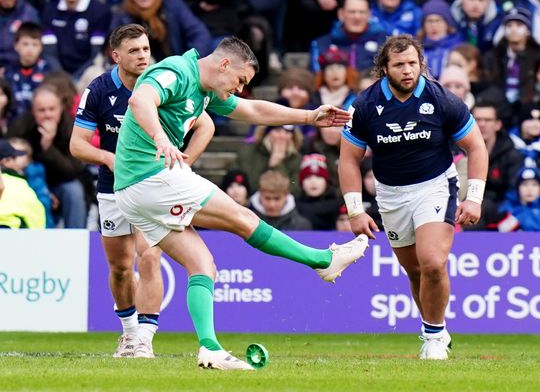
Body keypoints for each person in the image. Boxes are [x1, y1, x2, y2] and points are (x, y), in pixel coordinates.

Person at [112, 36, 368, 370]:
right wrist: (160, 138)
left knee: (203, 266)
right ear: (224, 65)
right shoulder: (178, 70)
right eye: (240, 80)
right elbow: (140, 100)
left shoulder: (206, 90)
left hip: (132, 192)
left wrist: (308, 117)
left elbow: (252, 110)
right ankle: (321, 261)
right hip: (150, 176)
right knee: (242, 218)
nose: (239, 88)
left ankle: (210, 349)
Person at [70, 24, 214, 358]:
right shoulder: (99, 89)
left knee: (149, 257)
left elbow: (206, 124)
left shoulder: (163, 81)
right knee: (120, 268)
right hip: (112, 189)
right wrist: (108, 157)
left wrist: (187, 159)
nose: (143, 56)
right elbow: (77, 145)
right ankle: (130, 333)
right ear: (116, 56)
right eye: (134, 51)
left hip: (154, 187)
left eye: (146, 49)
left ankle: (144, 340)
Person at [339, 35, 487, 360]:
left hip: (435, 186)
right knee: (415, 271)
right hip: (390, 195)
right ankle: (436, 329)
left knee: (433, 262)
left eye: (413, 63)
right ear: (384, 69)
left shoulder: (442, 100)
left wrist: (474, 197)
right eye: (399, 65)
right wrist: (354, 211)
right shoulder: (364, 105)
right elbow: (348, 159)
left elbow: (476, 147)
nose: (408, 71)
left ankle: (433, 338)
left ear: (421, 62)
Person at [8, 84, 87, 228]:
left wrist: (48, 147)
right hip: (30, 181)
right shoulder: (22, 126)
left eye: (52, 109)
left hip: (62, 181)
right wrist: (43, 190)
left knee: (74, 190)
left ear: (60, 108)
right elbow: (8, 164)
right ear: (33, 111)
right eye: (41, 110)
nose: (47, 115)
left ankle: (76, 239)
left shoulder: (70, 126)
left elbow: (73, 170)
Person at [0, 138, 45, 228]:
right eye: (14, 157)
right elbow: (37, 216)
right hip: (10, 234)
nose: (16, 161)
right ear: (5, 161)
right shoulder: (19, 184)